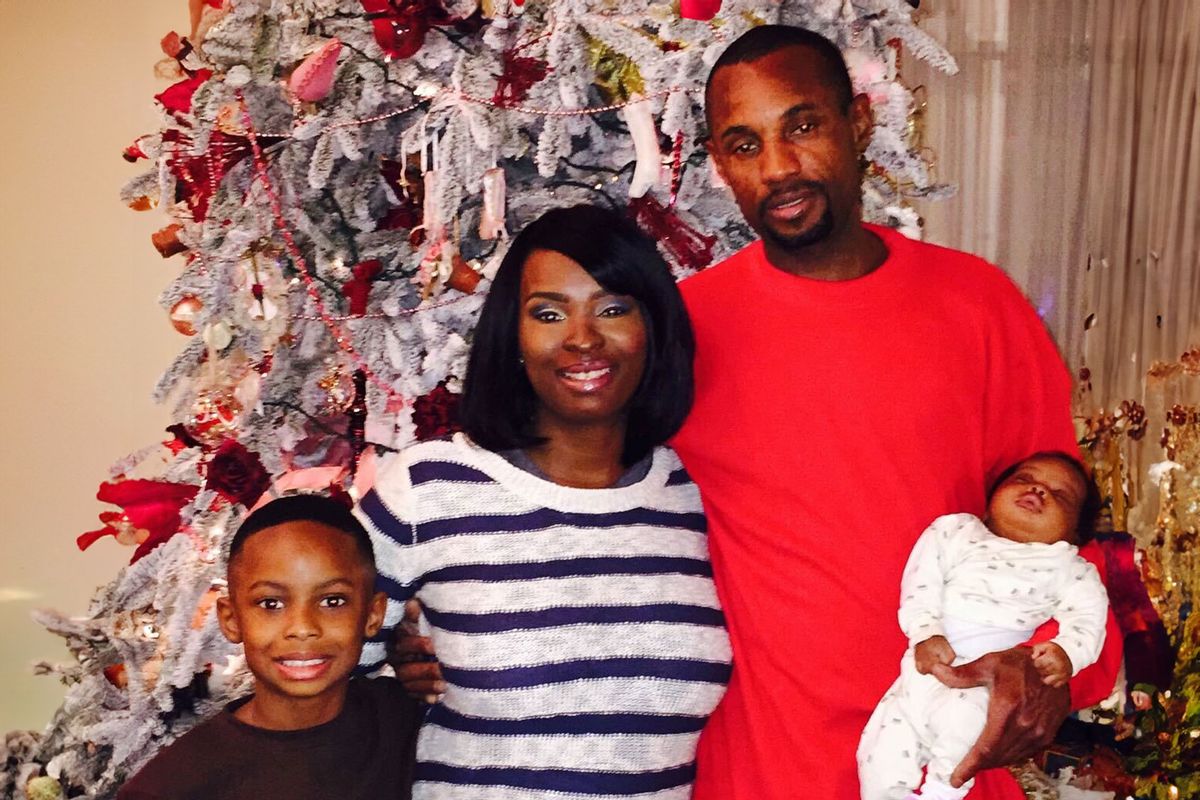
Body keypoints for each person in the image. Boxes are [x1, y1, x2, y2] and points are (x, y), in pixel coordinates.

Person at [393, 25, 1123, 800]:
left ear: (861, 123)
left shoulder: (981, 309)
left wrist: (1055, 671)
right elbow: (571, 495)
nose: (778, 167)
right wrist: (444, 628)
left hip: (947, 766)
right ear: (718, 163)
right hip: (759, 773)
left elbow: (1075, 545)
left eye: (802, 127)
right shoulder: (679, 331)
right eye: (743, 145)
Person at [355, 204, 731, 798]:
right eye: (549, 314)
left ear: (653, 329)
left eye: (612, 309)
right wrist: (394, 662)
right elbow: (319, 656)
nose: (582, 339)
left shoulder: (697, 495)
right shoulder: (430, 489)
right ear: (514, 337)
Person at [117, 494, 421, 800]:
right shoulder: (169, 787)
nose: (302, 628)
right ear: (231, 619)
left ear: (372, 614)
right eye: (270, 603)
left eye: (332, 601)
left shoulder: (404, 718)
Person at [858, 452, 1110, 800]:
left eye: (1060, 494)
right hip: (921, 671)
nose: (1038, 489)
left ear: (1074, 533)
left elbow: (1088, 619)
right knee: (877, 754)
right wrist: (925, 631)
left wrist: (1067, 653)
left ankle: (938, 795)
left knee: (963, 736)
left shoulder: (1068, 566)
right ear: (991, 502)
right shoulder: (956, 530)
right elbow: (921, 582)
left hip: (984, 683)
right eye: (1024, 479)